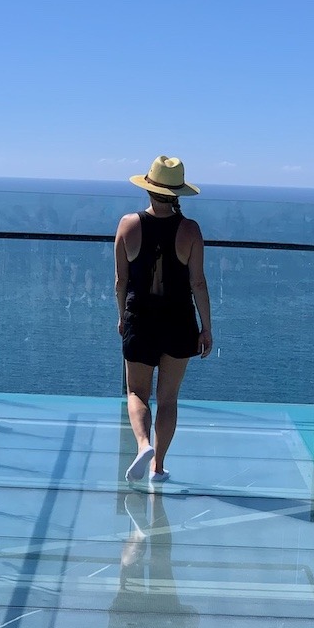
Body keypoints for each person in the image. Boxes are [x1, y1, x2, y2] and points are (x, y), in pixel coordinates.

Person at [115, 155, 212, 483]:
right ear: (178, 193)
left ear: (149, 188)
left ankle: (143, 445)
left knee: (136, 393)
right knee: (168, 398)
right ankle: (158, 468)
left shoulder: (128, 225)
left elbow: (120, 282)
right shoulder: (190, 230)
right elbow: (198, 282)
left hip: (140, 319)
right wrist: (206, 328)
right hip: (179, 321)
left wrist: (121, 318)